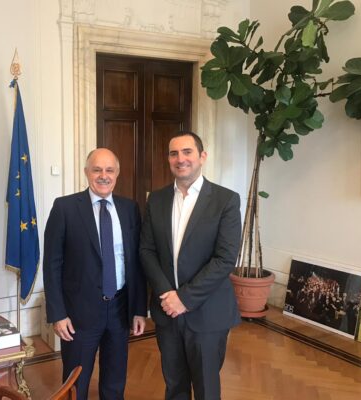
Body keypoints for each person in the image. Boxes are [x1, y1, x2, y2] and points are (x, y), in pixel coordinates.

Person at [140, 131, 242, 400]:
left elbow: (225, 259)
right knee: (174, 387)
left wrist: (184, 298)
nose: (180, 159)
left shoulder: (226, 200)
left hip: (207, 312)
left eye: (187, 152)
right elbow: (147, 250)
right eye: (174, 153)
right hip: (167, 311)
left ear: (202, 156)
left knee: (207, 390)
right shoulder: (156, 199)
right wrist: (167, 295)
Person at [43, 148, 147, 400]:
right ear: (86, 172)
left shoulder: (129, 208)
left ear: (117, 173)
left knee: (115, 381)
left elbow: (136, 263)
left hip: (120, 310)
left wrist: (138, 309)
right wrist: (58, 314)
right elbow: (52, 264)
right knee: (76, 383)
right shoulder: (65, 207)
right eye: (97, 169)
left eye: (109, 170)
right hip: (79, 314)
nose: (103, 175)